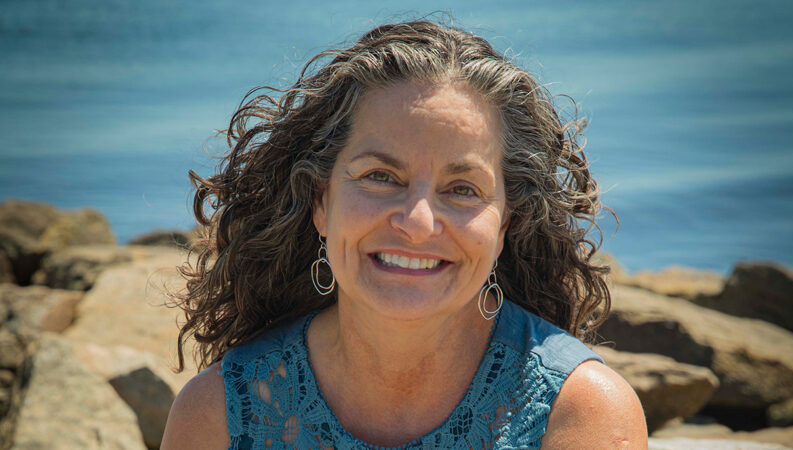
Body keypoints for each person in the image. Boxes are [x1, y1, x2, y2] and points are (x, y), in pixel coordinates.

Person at [161, 19, 648, 449]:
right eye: (380, 176)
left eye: (462, 189)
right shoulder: (220, 416)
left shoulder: (581, 413)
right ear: (320, 202)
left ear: (504, 225)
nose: (417, 223)